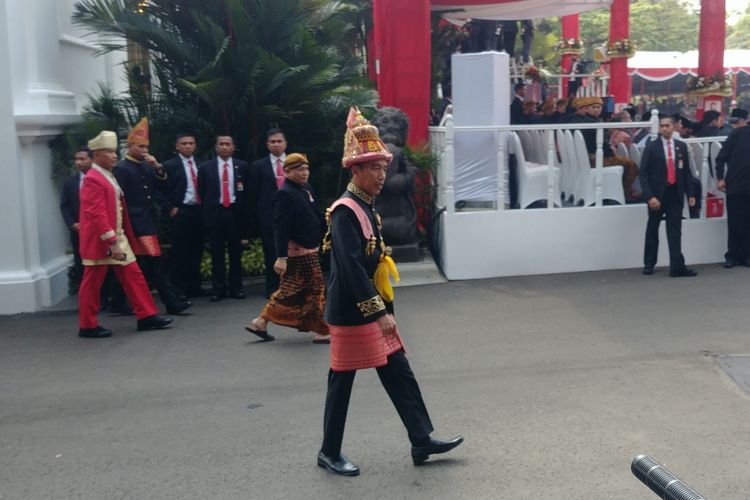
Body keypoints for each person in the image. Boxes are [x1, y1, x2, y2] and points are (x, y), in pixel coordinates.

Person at [317, 108, 462, 477]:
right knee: (342, 382)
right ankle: (329, 451)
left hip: (374, 307)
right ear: (356, 171)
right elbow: (348, 268)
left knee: (400, 372)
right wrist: (377, 312)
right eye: (375, 168)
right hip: (353, 312)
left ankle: (421, 438)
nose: (382, 175)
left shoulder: (365, 205)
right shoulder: (345, 211)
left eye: (383, 168)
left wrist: (385, 308)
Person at [77, 130, 172, 338]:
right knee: (92, 283)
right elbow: (96, 213)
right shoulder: (93, 178)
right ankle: (87, 325)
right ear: (97, 154)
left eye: (114, 152)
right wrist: (111, 241)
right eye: (109, 152)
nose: (114, 155)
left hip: (117, 236)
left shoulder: (106, 174)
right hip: (102, 240)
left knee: (134, 275)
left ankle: (147, 316)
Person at [245, 153, 330, 344]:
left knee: (291, 290)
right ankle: (322, 330)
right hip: (298, 252)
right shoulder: (284, 193)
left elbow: (315, 215)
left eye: (306, 169)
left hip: (310, 247)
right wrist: (281, 256)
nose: (304, 173)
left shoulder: (306, 188)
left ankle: (261, 321)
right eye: (299, 170)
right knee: (315, 289)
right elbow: (280, 227)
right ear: (287, 172)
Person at [113, 118, 192, 315]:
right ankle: (167, 302)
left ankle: (166, 302)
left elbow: (162, 188)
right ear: (130, 146)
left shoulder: (148, 166)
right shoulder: (122, 168)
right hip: (133, 223)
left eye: (146, 147)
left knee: (150, 264)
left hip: (148, 221)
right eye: (140, 146)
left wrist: (158, 168)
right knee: (148, 265)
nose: (144, 150)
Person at [639, 116, 697, 277]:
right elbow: (643, 174)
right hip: (657, 194)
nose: (664, 129)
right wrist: (650, 196)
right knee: (652, 229)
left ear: (674, 127)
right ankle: (649, 263)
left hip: (675, 193)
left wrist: (690, 193)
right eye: (661, 126)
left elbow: (686, 172)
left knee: (675, 231)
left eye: (667, 126)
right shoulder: (652, 147)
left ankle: (677, 266)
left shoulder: (681, 147)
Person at [198, 134, 252, 302]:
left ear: (233, 147)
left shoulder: (242, 166)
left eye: (228, 144)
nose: (225, 147)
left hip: (235, 213)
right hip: (216, 213)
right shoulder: (206, 167)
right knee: (217, 253)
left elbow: (248, 192)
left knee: (236, 252)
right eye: (221, 144)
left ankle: (236, 287)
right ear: (216, 147)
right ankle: (218, 289)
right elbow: (202, 191)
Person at [162, 132, 209, 299]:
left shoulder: (202, 164)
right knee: (179, 252)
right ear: (177, 146)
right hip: (181, 211)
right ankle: (178, 289)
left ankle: (194, 287)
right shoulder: (168, 165)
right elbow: (160, 190)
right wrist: (170, 208)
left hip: (199, 210)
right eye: (184, 143)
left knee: (197, 250)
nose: (188, 146)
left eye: (191, 143)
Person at [569, 97, 640, 201]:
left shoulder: (581, 121)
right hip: (595, 160)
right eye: (593, 107)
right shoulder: (592, 123)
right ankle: (625, 193)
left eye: (599, 107)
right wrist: (611, 153)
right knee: (630, 164)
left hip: (585, 159)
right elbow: (601, 145)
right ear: (587, 109)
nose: (596, 109)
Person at [250, 128, 288, 298]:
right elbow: (254, 193)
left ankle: (293, 287)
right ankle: (273, 288)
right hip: (269, 217)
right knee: (271, 253)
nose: (276, 144)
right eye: (273, 142)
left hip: (293, 216)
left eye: (279, 141)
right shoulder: (259, 166)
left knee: (294, 252)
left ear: (285, 143)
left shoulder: (294, 162)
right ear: (267, 145)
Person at [716, 112, 750, 268]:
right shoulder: (737, 135)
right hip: (736, 185)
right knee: (735, 222)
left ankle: (746, 255)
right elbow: (720, 157)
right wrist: (720, 177)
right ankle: (732, 255)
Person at [60, 147, 93, 285]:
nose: (78, 162)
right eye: (76, 159)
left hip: (98, 231)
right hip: (79, 232)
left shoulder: (103, 179)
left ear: (92, 160)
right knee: (82, 266)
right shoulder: (70, 183)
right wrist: (72, 224)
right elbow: (64, 206)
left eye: (82, 159)